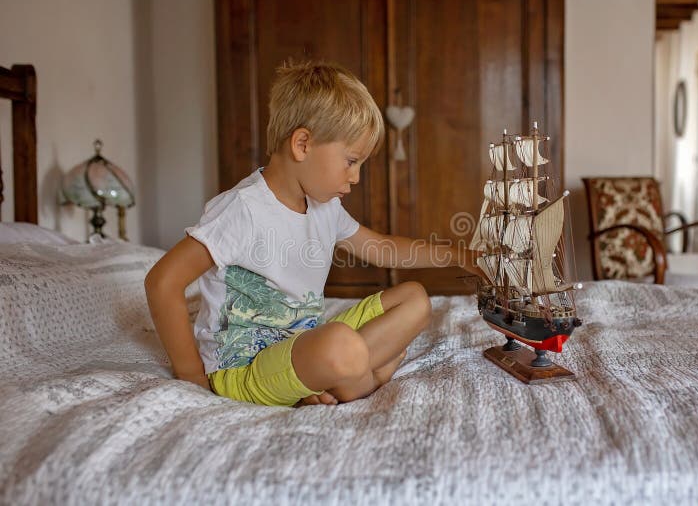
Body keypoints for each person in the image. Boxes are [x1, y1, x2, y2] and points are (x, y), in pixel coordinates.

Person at [145, 60, 482, 407]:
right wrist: (192, 377)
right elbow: (162, 282)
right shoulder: (242, 209)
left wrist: (458, 256)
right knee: (340, 343)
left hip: (303, 347)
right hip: (244, 370)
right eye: (351, 161)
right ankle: (364, 378)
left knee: (413, 299)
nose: (355, 177)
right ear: (303, 144)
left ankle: (335, 378)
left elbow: (383, 248)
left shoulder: (323, 206)